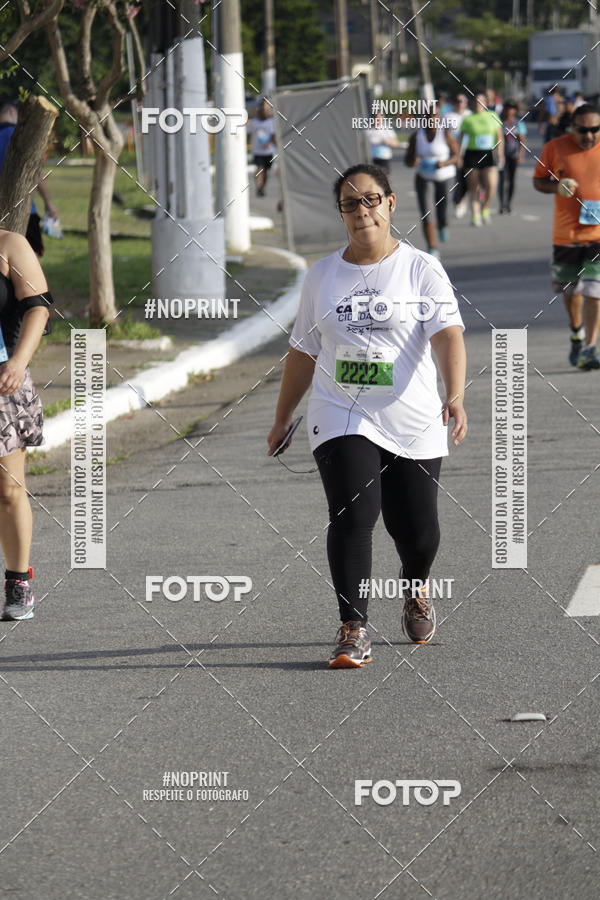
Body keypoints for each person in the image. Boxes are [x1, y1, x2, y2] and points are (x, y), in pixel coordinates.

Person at [266, 164, 467, 667]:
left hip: (412, 415)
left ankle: (416, 585)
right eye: (351, 204)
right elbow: (303, 351)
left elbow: (447, 334)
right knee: (353, 514)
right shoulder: (323, 275)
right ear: (341, 213)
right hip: (341, 413)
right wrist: (282, 415)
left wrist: (456, 394)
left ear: (392, 204)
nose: (362, 212)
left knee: (417, 531)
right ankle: (353, 627)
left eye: (371, 200)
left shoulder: (421, 269)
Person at [0, 228, 53, 620]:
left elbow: (38, 306)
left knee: (7, 489)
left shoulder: (8, 244)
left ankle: (18, 580)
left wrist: (18, 362)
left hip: (2, 378)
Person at [533, 102, 600, 370]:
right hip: (567, 234)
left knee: (595, 290)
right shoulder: (555, 148)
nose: (590, 136)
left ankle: (590, 347)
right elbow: (538, 180)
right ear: (572, 127)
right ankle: (577, 333)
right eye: (583, 130)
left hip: (597, 235)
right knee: (572, 292)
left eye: (596, 129)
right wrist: (555, 187)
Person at [0, 99, 59, 256]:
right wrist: (48, 202)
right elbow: (35, 173)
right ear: (13, 112)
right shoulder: (18, 136)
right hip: (23, 212)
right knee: (30, 257)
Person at [404, 118, 459, 257]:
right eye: (427, 118)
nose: (431, 121)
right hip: (424, 178)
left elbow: (456, 156)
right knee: (427, 214)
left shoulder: (445, 134)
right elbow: (407, 160)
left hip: (445, 177)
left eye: (434, 118)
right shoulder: (416, 136)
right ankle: (432, 247)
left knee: (444, 212)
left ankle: (443, 225)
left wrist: (444, 163)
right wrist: (413, 160)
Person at [460, 91, 504, 226]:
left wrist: (501, 155)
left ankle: (484, 207)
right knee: (473, 187)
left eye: (480, 101)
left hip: (489, 154)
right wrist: (458, 156)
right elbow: (461, 138)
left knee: (491, 185)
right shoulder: (468, 119)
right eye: (475, 101)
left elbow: (499, 137)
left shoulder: (493, 116)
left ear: (485, 103)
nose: (478, 104)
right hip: (472, 154)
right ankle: (475, 214)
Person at [498, 102, 526, 214]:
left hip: (513, 155)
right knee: (502, 180)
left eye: (512, 109)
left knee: (511, 180)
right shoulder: (499, 122)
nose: (509, 111)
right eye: (507, 108)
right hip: (502, 156)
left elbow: (522, 140)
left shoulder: (518, 123)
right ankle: (502, 204)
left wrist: (521, 155)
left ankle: (509, 203)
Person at [247, 97, 276, 197]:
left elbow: (274, 135)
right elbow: (247, 132)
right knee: (259, 168)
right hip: (257, 151)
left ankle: (262, 186)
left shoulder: (271, 122)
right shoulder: (254, 122)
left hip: (268, 151)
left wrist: (269, 143)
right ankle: (259, 187)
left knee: (266, 170)